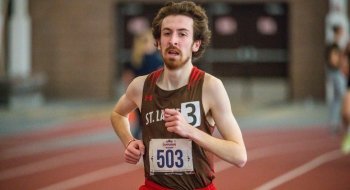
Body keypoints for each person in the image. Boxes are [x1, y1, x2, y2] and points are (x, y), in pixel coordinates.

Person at [111, 1, 247, 189]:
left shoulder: (211, 87)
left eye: (182, 34)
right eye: (167, 33)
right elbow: (118, 114)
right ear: (158, 42)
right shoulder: (141, 86)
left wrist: (190, 131)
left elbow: (239, 155)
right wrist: (129, 141)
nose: (173, 40)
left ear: (196, 44)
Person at [121, 29, 163, 139]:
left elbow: (127, 79)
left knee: (143, 122)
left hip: (143, 95)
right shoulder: (154, 60)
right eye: (151, 42)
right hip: (147, 95)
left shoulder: (134, 60)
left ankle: (140, 137)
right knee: (149, 121)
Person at [325, 24, 347, 134]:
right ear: (338, 32)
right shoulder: (334, 45)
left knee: (337, 99)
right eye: (342, 30)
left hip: (335, 72)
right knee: (343, 97)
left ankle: (334, 122)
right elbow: (332, 60)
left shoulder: (335, 44)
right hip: (335, 73)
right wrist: (341, 65)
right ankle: (338, 122)